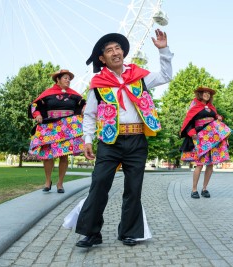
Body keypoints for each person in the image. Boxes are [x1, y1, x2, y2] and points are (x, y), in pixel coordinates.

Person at [75, 29, 173, 248]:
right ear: (102, 59)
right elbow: (90, 114)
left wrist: (163, 50)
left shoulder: (139, 76)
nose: (115, 52)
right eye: (109, 50)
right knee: (99, 184)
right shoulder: (98, 84)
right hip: (110, 141)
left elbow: (167, 75)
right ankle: (91, 233)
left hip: (137, 140)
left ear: (123, 53)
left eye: (118, 48)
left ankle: (129, 232)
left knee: (133, 188)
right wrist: (88, 140)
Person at [28, 69, 85, 193]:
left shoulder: (74, 94)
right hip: (50, 128)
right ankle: (48, 181)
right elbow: (34, 105)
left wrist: (84, 109)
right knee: (48, 156)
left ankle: (60, 183)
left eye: (69, 78)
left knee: (63, 156)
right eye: (65, 78)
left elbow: (83, 104)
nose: (68, 80)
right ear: (57, 80)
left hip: (67, 128)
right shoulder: (47, 93)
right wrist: (37, 114)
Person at [180, 87, 232, 199]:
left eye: (209, 93)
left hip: (212, 137)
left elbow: (215, 120)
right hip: (200, 137)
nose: (207, 94)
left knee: (210, 164)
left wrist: (218, 117)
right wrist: (192, 132)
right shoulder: (194, 104)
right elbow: (188, 120)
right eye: (205, 92)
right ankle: (194, 189)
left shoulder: (212, 107)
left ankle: (204, 188)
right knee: (199, 164)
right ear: (200, 94)